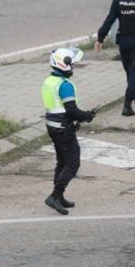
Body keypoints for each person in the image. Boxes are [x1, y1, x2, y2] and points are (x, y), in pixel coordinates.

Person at [42, 46, 95, 215]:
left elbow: (59, 108)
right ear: (63, 65)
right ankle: (54, 196)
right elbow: (71, 110)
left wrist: (76, 118)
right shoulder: (65, 85)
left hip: (52, 126)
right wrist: (87, 116)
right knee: (73, 163)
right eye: (72, 65)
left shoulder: (49, 81)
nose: (73, 68)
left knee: (62, 162)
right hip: (63, 129)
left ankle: (59, 196)